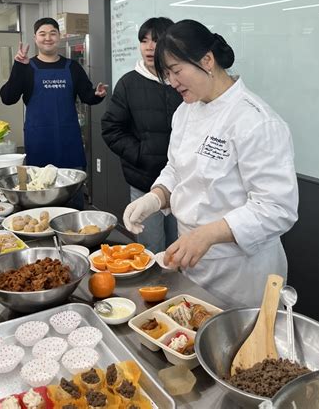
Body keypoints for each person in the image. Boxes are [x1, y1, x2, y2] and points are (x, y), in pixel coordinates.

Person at [123, 19, 298, 307]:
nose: (172, 83)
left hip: (240, 272)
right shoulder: (185, 112)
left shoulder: (255, 120)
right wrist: (155, 198)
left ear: (207, 60)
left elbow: (277, 208)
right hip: (192, 261)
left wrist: (207, 234)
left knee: (240, 347)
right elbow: (176, 168)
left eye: (177, 71)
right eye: (166, 75)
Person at [0, 17, 107, 208]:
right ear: (35, 38)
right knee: (40, 197)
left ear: (59, 37)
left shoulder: (72, 67)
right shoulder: (26, 67)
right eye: (42, 34)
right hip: (39, 143)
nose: (47, 38)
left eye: (52, 33)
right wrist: (18, 66)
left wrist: (97, 95)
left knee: (72, 199)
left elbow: (87, 96)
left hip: (69, 143)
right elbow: (8, 98)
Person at [101, 17, 182, 253]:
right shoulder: (129, 83)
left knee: (180, 248)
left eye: (156, 41)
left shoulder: (183, 81)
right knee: (151, 246)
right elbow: (111, 128)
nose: (149, 47)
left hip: (183, 183)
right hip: (145, 181)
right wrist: (141, 154)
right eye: (144, 40)